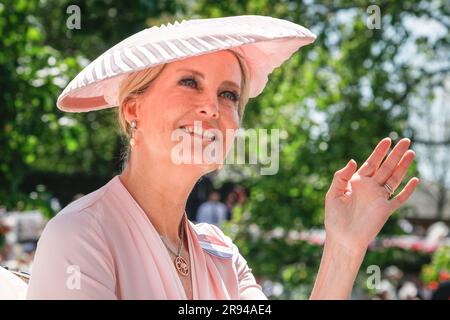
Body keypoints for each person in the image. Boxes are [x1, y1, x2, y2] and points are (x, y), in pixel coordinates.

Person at [26, 15, 419, 300]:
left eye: (229, 94)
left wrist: (345, 246)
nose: (212, 108)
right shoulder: (80, 237)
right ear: (133, 110)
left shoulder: (221, 253)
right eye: (189, 82)